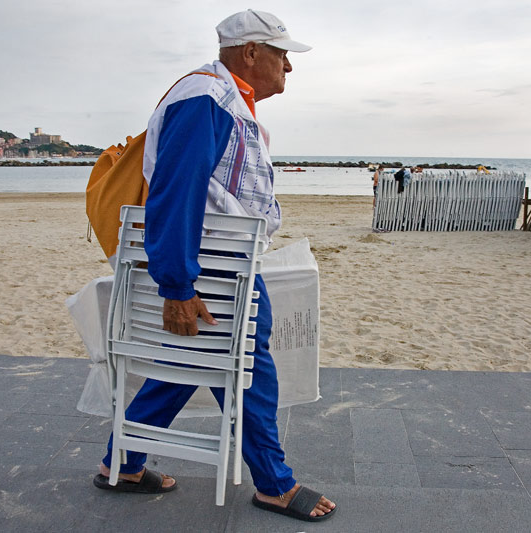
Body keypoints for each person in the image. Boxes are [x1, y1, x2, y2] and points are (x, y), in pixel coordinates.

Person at [92, 9, 336, 522]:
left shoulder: (223, 98)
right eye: (282, 54)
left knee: (188, 362)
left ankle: (123, 463)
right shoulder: (206, 97)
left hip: (214, 261)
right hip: (215, 265)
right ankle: (274, 485)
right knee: (248, 370)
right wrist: (177, 287)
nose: (289, 66)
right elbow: (177, 191)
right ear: (251, 52)